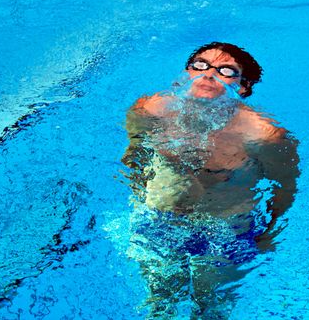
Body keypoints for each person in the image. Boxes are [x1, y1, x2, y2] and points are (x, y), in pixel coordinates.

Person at [122, 42, 299, 319]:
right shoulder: (151, 110)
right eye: (201, 65)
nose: (209, 74)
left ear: (243, 87)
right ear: (187, 73)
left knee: (211, 307)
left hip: (224, 230)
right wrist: (137, 196)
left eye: (226, 70)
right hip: (161, 217)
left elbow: (285, 186)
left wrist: (270, 231)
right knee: (159, 303)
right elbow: (134, 154)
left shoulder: (263, 136)